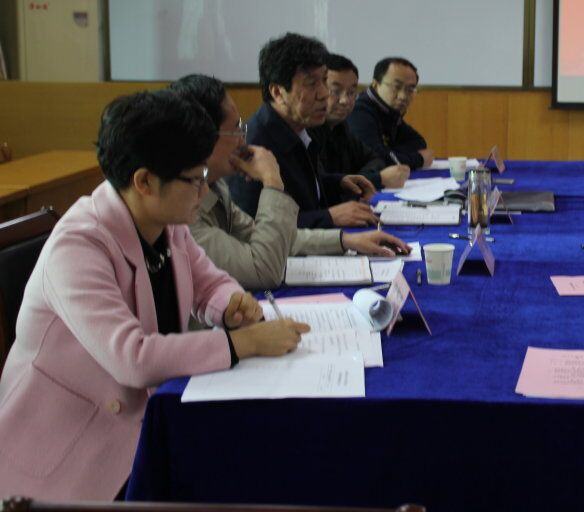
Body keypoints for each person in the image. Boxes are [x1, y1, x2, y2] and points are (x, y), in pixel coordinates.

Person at [0, 91, 309, 501]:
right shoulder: (78, 245)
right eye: (194, 179)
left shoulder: (165, 220)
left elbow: (209, 282)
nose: (204, 189)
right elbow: (132, 358)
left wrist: (231, 303)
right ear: (144, 181)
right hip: (72, 456)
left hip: (147, 422)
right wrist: (243, 342)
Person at [170, 74, 410, 290]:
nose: (243, 139)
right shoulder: (181, 210)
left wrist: (346, 241)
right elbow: (263, 271)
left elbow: (269, 236)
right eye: (236, 129)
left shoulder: (214, 185)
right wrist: (272, 182)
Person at [228, 32, 379, 229]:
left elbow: (299, 190)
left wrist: (337, 182)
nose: (324, 94)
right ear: (278, 92)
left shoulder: (299, 126)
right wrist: (329, 217)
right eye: (311, 83)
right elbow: (252, 227)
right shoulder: (254, 144)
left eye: (324, 80)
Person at [313, 53, 411, 190]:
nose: (345, 100)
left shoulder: (341, 127)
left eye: (351, 92)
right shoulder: (308, 131)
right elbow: (320, 186)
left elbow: (375, 159)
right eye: (335, 91)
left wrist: (358, 179)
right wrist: (377, 179)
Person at [346, 56, 434, 169]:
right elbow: (375, 159)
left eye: (410, 89)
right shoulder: (359, 111)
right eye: (396, 87)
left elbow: (419, 143)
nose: (403, 96)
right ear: (375, 84)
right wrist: (419, 159)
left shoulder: (388, 110)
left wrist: (388, 152)